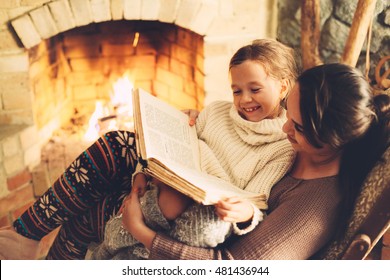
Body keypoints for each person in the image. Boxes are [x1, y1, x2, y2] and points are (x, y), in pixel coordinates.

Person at [0, 38, 297, 260]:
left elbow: (256, 202)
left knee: (89, 216)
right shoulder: (217, 112)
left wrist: (245, 212)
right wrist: (142, 171)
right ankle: (28, 233)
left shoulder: (281, 147)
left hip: (191, 210)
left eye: (255, 89)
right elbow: (183, 142)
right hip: (165, 181)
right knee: (117, 142)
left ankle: (28, 239)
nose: (244, 99)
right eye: (236, 90)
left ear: (283, 86)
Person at [120, 63, 390, 260]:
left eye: (297, 126)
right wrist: (193, 124)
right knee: (117, 143)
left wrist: (141, 232)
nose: (285, 129)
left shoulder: (314, 207)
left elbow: (234, 267)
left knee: (97, 218)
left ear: (332, 141)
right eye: (287, 112)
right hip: (177, 199)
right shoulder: (301, 147)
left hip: (181, 239)